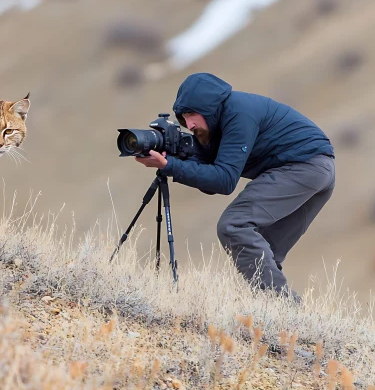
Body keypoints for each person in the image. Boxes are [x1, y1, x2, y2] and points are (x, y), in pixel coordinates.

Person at [135, 73, 335, 302]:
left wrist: (170, 166)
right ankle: (281, 319)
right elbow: (212, 183)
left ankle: (284, 308)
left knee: (234, 224)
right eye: (183, 117)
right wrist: (183, 158)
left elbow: (224, 181)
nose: (189, 124)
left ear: (209, 108)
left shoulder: (239, 115)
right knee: (260, 253)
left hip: (305, 167)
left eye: (192, 114)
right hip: (319, 171)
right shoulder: (220, 123)